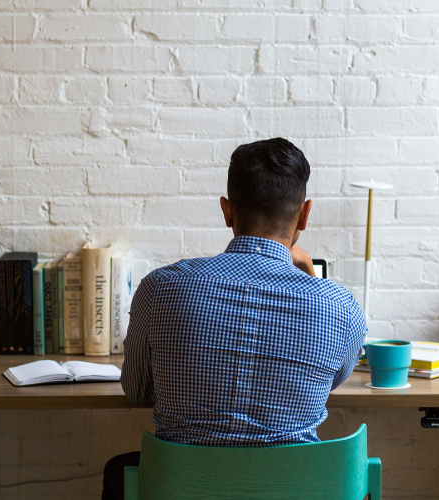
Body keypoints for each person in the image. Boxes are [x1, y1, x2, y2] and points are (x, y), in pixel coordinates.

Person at [102, 138, 368, 500]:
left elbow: (136, 391)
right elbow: (329, 384)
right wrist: (310, 281)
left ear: (227, 211)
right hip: (293, 489)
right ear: (304, 215)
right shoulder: (341, 308)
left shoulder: (160, 289)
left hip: (185, 488)